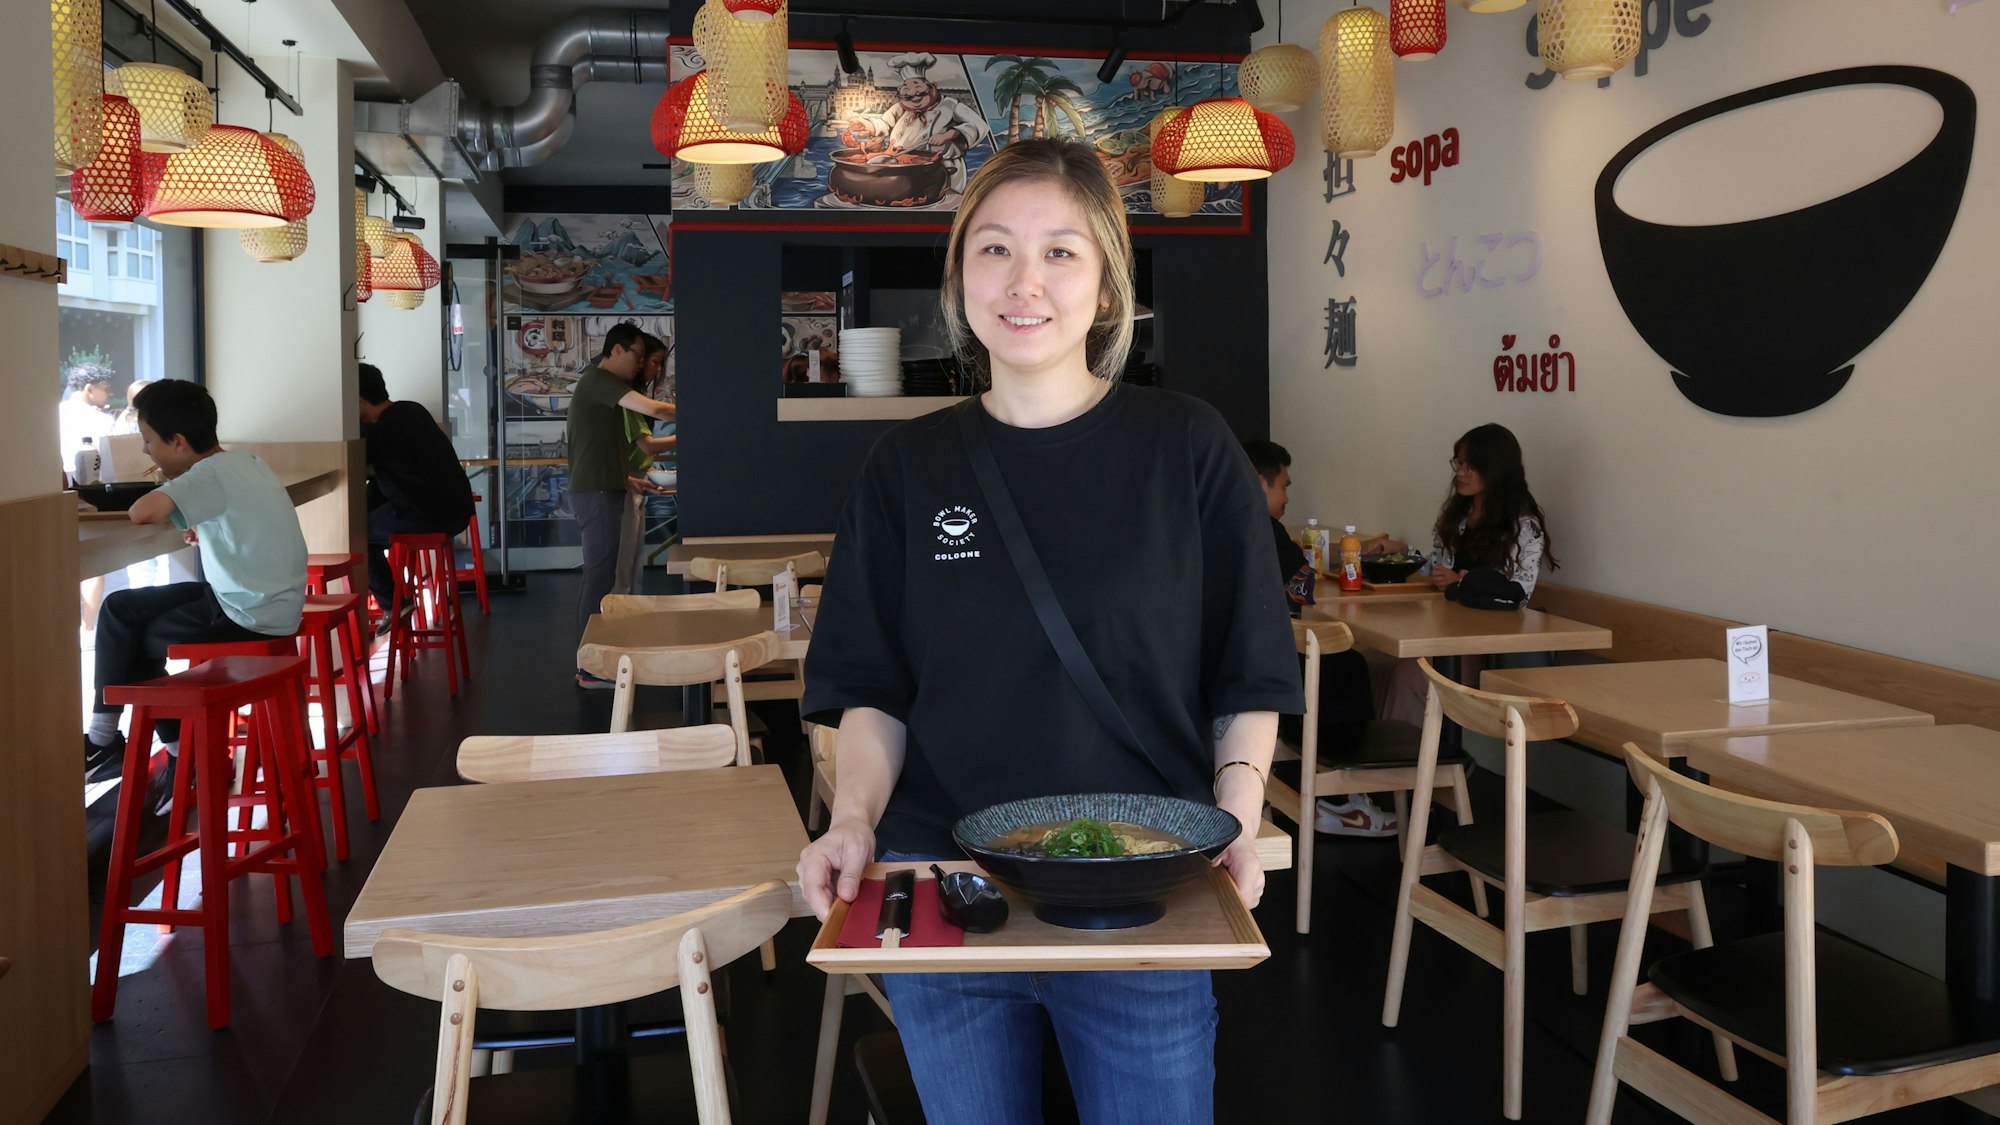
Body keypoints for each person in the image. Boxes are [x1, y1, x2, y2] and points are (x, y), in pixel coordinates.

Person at [797, 138, 1301, 1124]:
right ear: (958, 279)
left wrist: (1235, 811)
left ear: (1107, 286)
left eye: (1061, 252)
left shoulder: (1188, 445)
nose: (1024, 281)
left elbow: (1248, 668)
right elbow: (873, 688)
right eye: (993, 249)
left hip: (1140, 888)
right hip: (944, 887)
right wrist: (851, 817)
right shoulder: (906, 470)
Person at [84, 381, 307, 803]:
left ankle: (147, 749)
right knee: (121, 608)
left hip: (249, 613)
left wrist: (173, 499)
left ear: (179, 442)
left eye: (149, 440)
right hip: (265, 602)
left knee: (138, 640)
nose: (147, 451)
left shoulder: (206, 474)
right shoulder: (247, 461)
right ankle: (128, 742)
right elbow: (237, 517)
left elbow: (141, 512)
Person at [1242, 439, 1396, 838]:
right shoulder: (1264, 527)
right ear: (1261, 483)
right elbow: (1301, 586)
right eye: (1285, 486)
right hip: (1261, 668)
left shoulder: (1223, 519)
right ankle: (1344, 793)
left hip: (1237, 661)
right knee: (1349, 663)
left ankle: (1303, 782)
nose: (1288, 496)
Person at [1366, 422, 1557, 724]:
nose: (1460, 473)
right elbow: (1441, 570)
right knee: (1373, 663)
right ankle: (1385, 756)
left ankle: (1409, 764)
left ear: (1495, 471)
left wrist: (1463, 582)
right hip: (1445, 634)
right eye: (1459, 463)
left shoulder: (1523, 527)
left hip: (1487, 650)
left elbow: (1518, 594)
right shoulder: (1459, 516)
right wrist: (1402, 551)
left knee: (1410, 676)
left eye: (1471, 467)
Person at [566, 322, 676, 688]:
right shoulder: (602, 381)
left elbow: (600, 450)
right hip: (596, 493)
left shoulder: (601, 386)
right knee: (599, 577)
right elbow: (656, 411)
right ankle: (589, 667)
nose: (641, 365)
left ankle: (599, 660)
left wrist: (629, 479)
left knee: (606, 576)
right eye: (639, 356)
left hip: (604, 487)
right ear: (616, 350)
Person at [357, 363, 475, 615]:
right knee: (377, 491)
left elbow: (361, 467)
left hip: (429, 514)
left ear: (358, 400)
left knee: (355, 535)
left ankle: (395, 605)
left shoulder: (378, 432)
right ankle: (394, 602)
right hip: (458, 509)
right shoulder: (413, 410)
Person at [846, 52, 992, 199]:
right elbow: (883, 123)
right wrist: (867, 124)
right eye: (909, 97)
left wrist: (947, 135)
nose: (915, 100)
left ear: (932, 88)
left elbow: (979, 125)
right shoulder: (900, 108)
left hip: (941, 168)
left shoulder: (950, 105)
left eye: (920, 94)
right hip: (903, 167)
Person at [613, 334, 677, 597]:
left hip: (634, 482)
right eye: (654, 361)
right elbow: (647, 446)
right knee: (625, 560)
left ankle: (629, 617)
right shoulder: (631, 401)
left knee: (632, 558)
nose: (657, 369)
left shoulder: (633, 399)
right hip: (626, 484)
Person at [59, 362, 115, 480]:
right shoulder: (102, 420)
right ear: (89, 389)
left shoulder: (55, 414)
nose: (111, 393)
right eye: (106, 389)